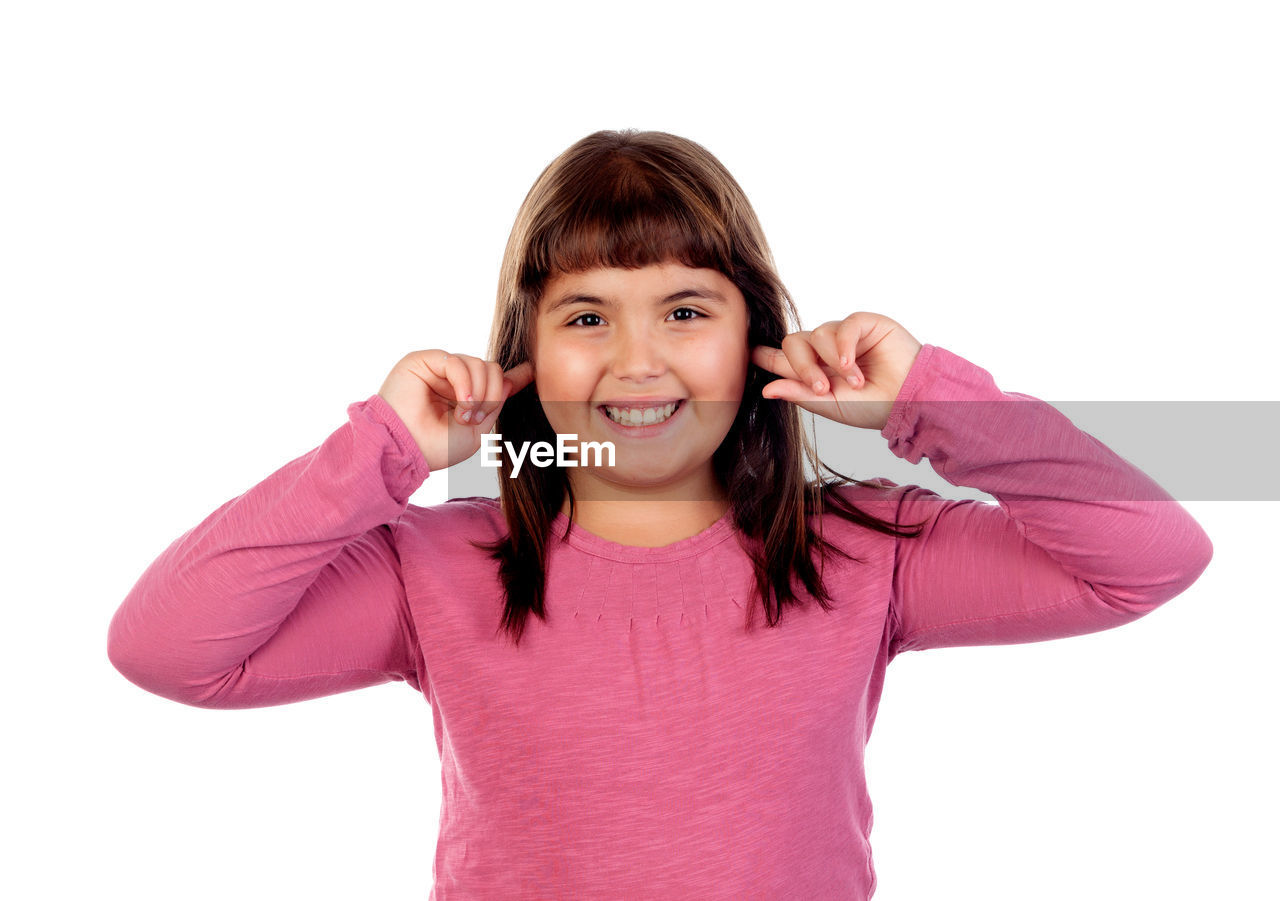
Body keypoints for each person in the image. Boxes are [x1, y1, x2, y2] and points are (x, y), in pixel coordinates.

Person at [106, 129, 1213, 900]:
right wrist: (381, 450)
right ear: (526, 354)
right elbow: (166, 648)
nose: (637, 361)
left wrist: (930, 399)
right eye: (586, 314)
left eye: (686, 308)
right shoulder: (435, 566)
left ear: (754, 335)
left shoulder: (863, 547)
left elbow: (1150, 554)